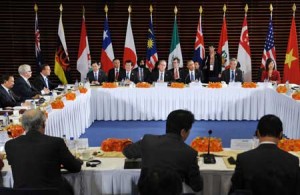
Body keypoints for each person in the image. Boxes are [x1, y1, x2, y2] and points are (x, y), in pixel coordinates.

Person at [123, 109, 203, 192]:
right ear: (183, 132)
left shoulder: (148, 141)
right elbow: (197, 186)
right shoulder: (190, 153)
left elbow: (127, 152)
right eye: (189, 131)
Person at [5, 109, 82, 195]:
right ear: (43, 124)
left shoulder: (10, 145)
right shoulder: (56, 142)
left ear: (23, 126)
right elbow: (75, 167)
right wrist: (78, 161)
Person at [229, 114, 300, 195]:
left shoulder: (244, 159)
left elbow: (235, 190)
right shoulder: (293, 161)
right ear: (280, 134)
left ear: (258, 133)